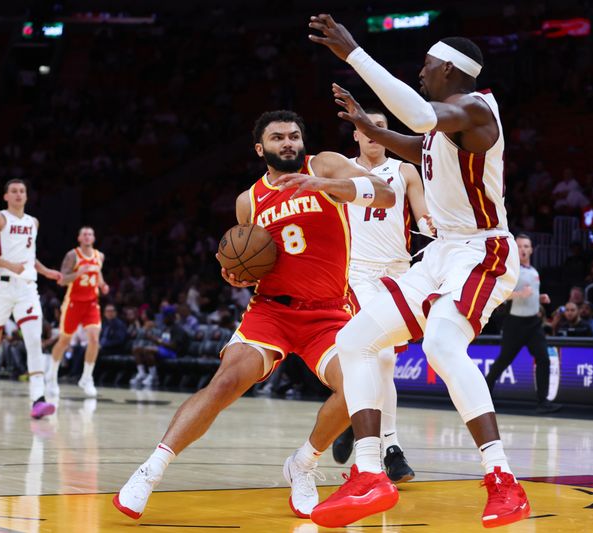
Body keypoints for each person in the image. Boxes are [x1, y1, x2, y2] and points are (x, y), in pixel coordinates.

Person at [113, 110, 395, 521]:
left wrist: (327, 185)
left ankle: (304, 463)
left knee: (359, 386)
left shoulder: (325, 164)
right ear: (261, 148)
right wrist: (236, 273)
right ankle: (151, 470)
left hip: (329, 312)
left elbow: (385, 195)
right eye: (278, 137)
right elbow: (250, 257)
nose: (288, 143)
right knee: (226, 381)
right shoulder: (250, 200)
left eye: (294, 135)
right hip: (271, 311)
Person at [308, 16, 530, 528]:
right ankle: (369, 476)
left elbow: (424, 121)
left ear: (452, 71)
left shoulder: (476, 110)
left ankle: (503, 481)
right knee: (356, 338)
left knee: (442, 346)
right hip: (442, 254)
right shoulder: (445, 127)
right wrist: (371, 128)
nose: (422, 72)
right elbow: (421, 146)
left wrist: (355, 54)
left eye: (429, 66)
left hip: (483, 251)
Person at [331, 107, 432, 482]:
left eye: (381, 127)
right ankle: (390, 448)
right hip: (358, 273)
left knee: (381, 361)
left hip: (399, 274)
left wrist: (434, 228)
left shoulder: (404, 171)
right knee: (384, 356)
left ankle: (355, 421)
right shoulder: (342, 168)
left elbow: (423, 217)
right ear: (355, 135)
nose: (373, 132)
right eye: (365, 127)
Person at [0, 179, 62, 419]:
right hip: (1, 288)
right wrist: (8, 265)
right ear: (6, 196)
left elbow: (29, 256)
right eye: (13, 191)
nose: (18, 195)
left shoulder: (33, 222)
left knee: (34, 341)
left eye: (22, 191)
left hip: (27, 288)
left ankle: (38, 399)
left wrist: (46, 271)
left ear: (27, 196)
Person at [485, 234, 561, 413]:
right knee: (503, 361)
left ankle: (543, 402)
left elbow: (531, 293)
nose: (523, 249)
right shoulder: (510, 270)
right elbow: (499, 294)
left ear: (531, 249)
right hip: (515, 324)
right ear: (514, 249)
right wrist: (518, 295)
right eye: (519, 246)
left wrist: (540, 298)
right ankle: (483, 399)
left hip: (534, 323)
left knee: (543, 359)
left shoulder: (534, 271)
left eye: (526, 246)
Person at [45, 227, 109, 397]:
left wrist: (103, 285)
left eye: (90, 234)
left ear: (94, 238)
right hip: (73, 303)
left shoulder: (99, 256)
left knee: (94, 339)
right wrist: (78, 273)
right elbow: (62, 280)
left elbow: (98, 274)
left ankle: (87, 378)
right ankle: (51, 376)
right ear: (79, 237)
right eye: (84, 234)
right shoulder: (72, 256)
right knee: (64, 341)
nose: (87, 236)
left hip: (92, 303)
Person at [130, 305, 188, 388]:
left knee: (148, 350)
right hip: (162, 350)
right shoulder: (165, 328)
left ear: (170, 317)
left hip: (173, 353)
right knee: (137, 349)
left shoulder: (178, 329)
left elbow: (173, 345)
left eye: (164, 317)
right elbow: (159, 340)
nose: (162, 319)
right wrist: (151, 337)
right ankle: (141, 373)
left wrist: (156, 340)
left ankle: (153, 377)